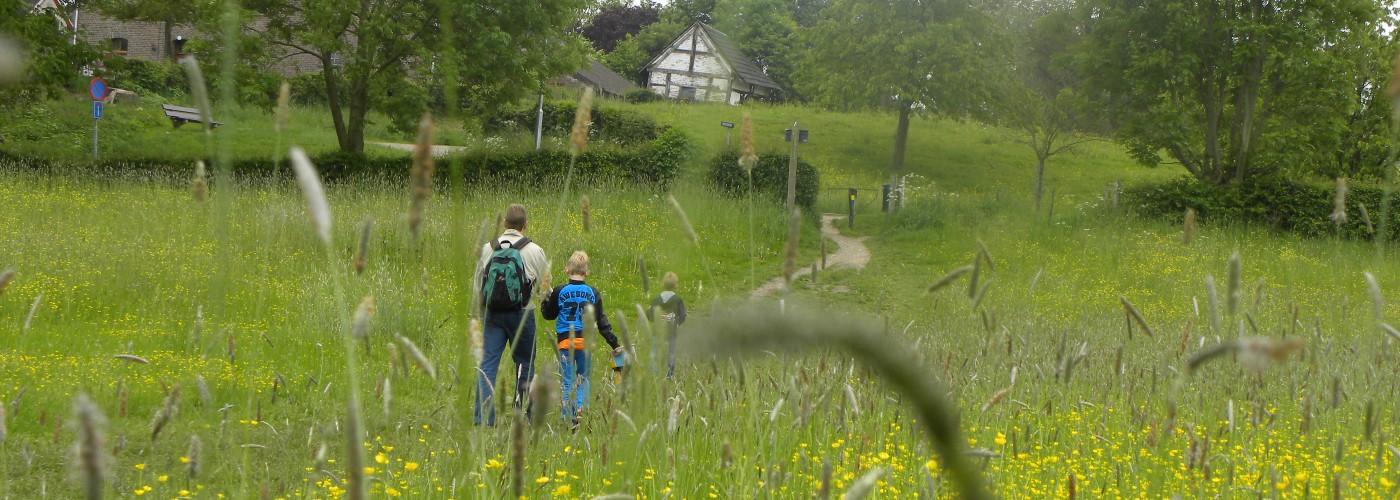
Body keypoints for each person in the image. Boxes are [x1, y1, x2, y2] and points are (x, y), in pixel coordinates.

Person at [474, 204, 549, 426]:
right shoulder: (535, 250)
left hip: (492, 314)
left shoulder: (488, 249)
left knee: (487, 364)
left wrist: (481, 312)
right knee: (524, 364)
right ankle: (522, 416)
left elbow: (478, 283)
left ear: (505, 224)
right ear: (525, 225)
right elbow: (545, 286)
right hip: (523, 314)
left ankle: (483, 419)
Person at [541, 251, 622, 427]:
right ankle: (581, 411)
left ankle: (568, 417)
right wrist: (614, 343)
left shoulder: (559, 290)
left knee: (567, 380)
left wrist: (544, 300)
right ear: (586, 272)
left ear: (567, 270)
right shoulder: (592, 292)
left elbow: (548, 315)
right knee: (583, 377)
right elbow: (602, 321)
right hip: (585, 343)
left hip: (565, 342)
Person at [649, 272, 688, 378]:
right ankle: (669, 374)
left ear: (663, 284)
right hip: (671, 332)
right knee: (671, 352)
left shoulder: (656, 299)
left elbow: (649, 314)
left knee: (655, 351)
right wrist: (676, 323)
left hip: (657, 331)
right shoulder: (678, 300)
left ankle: (654, 372)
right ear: (676, 285)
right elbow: (683, 315)